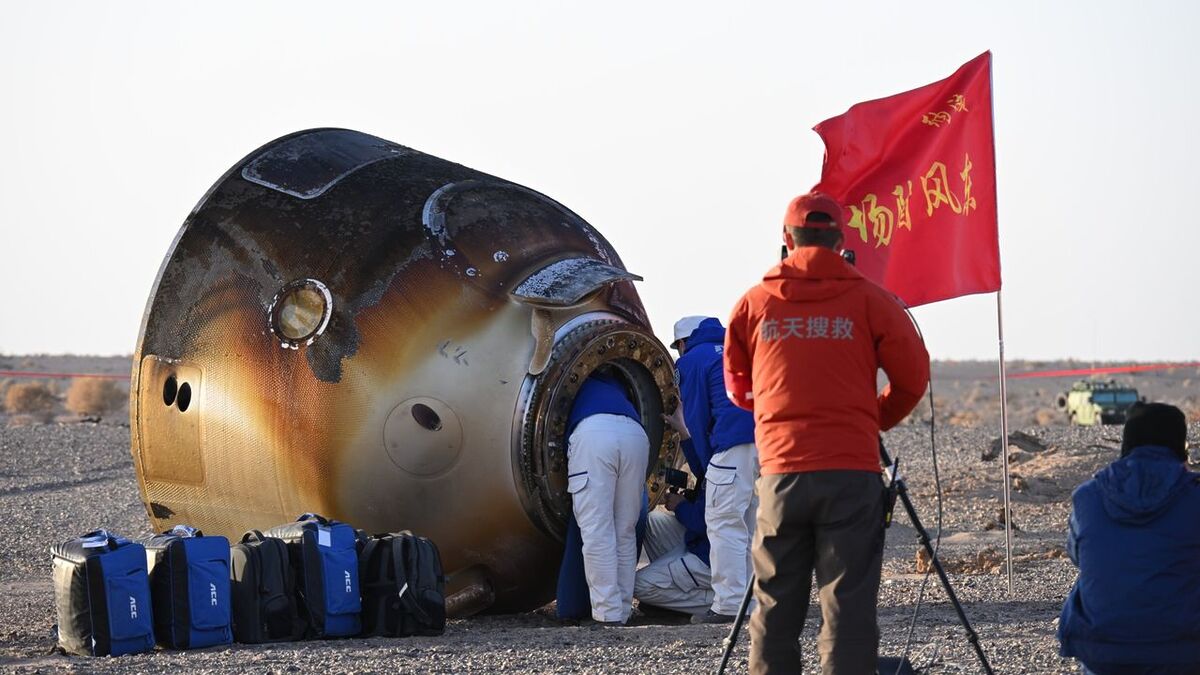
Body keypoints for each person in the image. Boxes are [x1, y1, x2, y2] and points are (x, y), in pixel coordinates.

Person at [723, 191, 930, 674]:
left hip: (781, 476)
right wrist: (868, 419)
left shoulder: (754, 304)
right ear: (840, 240)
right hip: (850, 474)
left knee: (775, 606)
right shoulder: (872, 302)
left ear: (785, 240)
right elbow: (913, 378)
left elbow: (738, 388)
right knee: (848, 607)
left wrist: (778, 422)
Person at [1058, 402, 1200, 674]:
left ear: (1126, 446)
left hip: (1102, 652)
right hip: (1184, 653)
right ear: (1181, 449)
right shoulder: (1194, 496)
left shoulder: (1088, 496)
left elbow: (1077, 554)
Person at [671, 315, 758, 623]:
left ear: (683, 343)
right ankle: (752, 605)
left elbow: (694, 419)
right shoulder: (741, 350)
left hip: (731, 446)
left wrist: (705, 468)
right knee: (749, 526)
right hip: (766, 445)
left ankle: (728, 606)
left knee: (724, 525)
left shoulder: (691, 361)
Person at [564, 369, 650, 624]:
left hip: (594, 434)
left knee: (597, 530)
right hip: (636, 432)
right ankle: (621, 612)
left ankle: (606, 613)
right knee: (624, 530)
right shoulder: (618, 387)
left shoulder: (577, 382)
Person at [634, 405, 714, 615]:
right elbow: (704, 467)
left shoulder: (730, 465)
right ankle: (674, 585)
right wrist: (683, 432)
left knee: (639, 586)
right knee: (652, 522)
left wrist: (680, 506)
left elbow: (704, 522)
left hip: (711, 557)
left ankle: (718, 601)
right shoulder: (728, 451)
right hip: (703, 543)